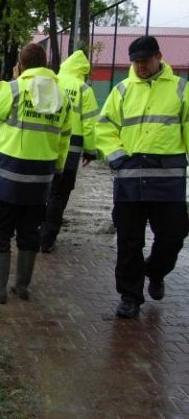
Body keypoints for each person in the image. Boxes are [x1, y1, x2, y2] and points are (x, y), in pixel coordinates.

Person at [0, 43, 72, 303]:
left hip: (8, 175)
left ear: (21, 65)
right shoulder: (62, 97)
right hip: (42, 177)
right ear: (46, 65)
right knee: (29, 229)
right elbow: (64, 137)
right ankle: (22, 286)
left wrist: (10, 81)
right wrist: (58, 169)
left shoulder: (13, 88)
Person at [95, 35, 189, 319]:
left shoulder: (181, 89)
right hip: (130, 179)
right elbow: (104, 126)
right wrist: (116, 156)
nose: (140, 66)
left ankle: (156, 271)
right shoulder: (123, 90)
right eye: (136, 62)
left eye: (145, 60)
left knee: (173, 237)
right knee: (129, 242)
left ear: (159, 56)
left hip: (168, 183)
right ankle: (130, 297)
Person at [39, 50, 99, 252]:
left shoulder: (52, 81)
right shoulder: (84, 89)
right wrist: (90, 151)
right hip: (71, 150)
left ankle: (32, 231)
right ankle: (47, 240)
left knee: (42, 189)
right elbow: (89, 124)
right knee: (60, 194)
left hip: (46, 143)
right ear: (83, 71)